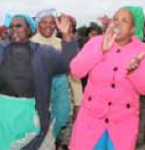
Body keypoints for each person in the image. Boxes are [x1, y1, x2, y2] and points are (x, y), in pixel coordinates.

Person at [69, 6, 145, 150]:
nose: (117, 23)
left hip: (123, 125)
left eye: (124, 21)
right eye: (115, 19)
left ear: (133, 29)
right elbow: (76, 71)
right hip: (90, 121)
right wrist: (100, 50)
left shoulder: (142, 50)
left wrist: (134, 71)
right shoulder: (96, 42)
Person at [0, 13, 78, 150]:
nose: (14, 30)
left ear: (30, 29)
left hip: (32, 115)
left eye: (19, 26)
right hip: (4, 115)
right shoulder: (1, 49)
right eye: (11, 27)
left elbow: (69, 64)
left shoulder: (45, 53)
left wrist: (66, 37)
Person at [31, 8, 71, 150]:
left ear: (56, 25)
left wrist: (78, 101)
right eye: (44, 22)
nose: (48, 25)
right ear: (37, 24)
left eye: (52, 22)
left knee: (58, 122)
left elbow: (73, 73)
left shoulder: (64, 43)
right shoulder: (29, 44)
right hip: (36, 99)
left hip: (60, 92)